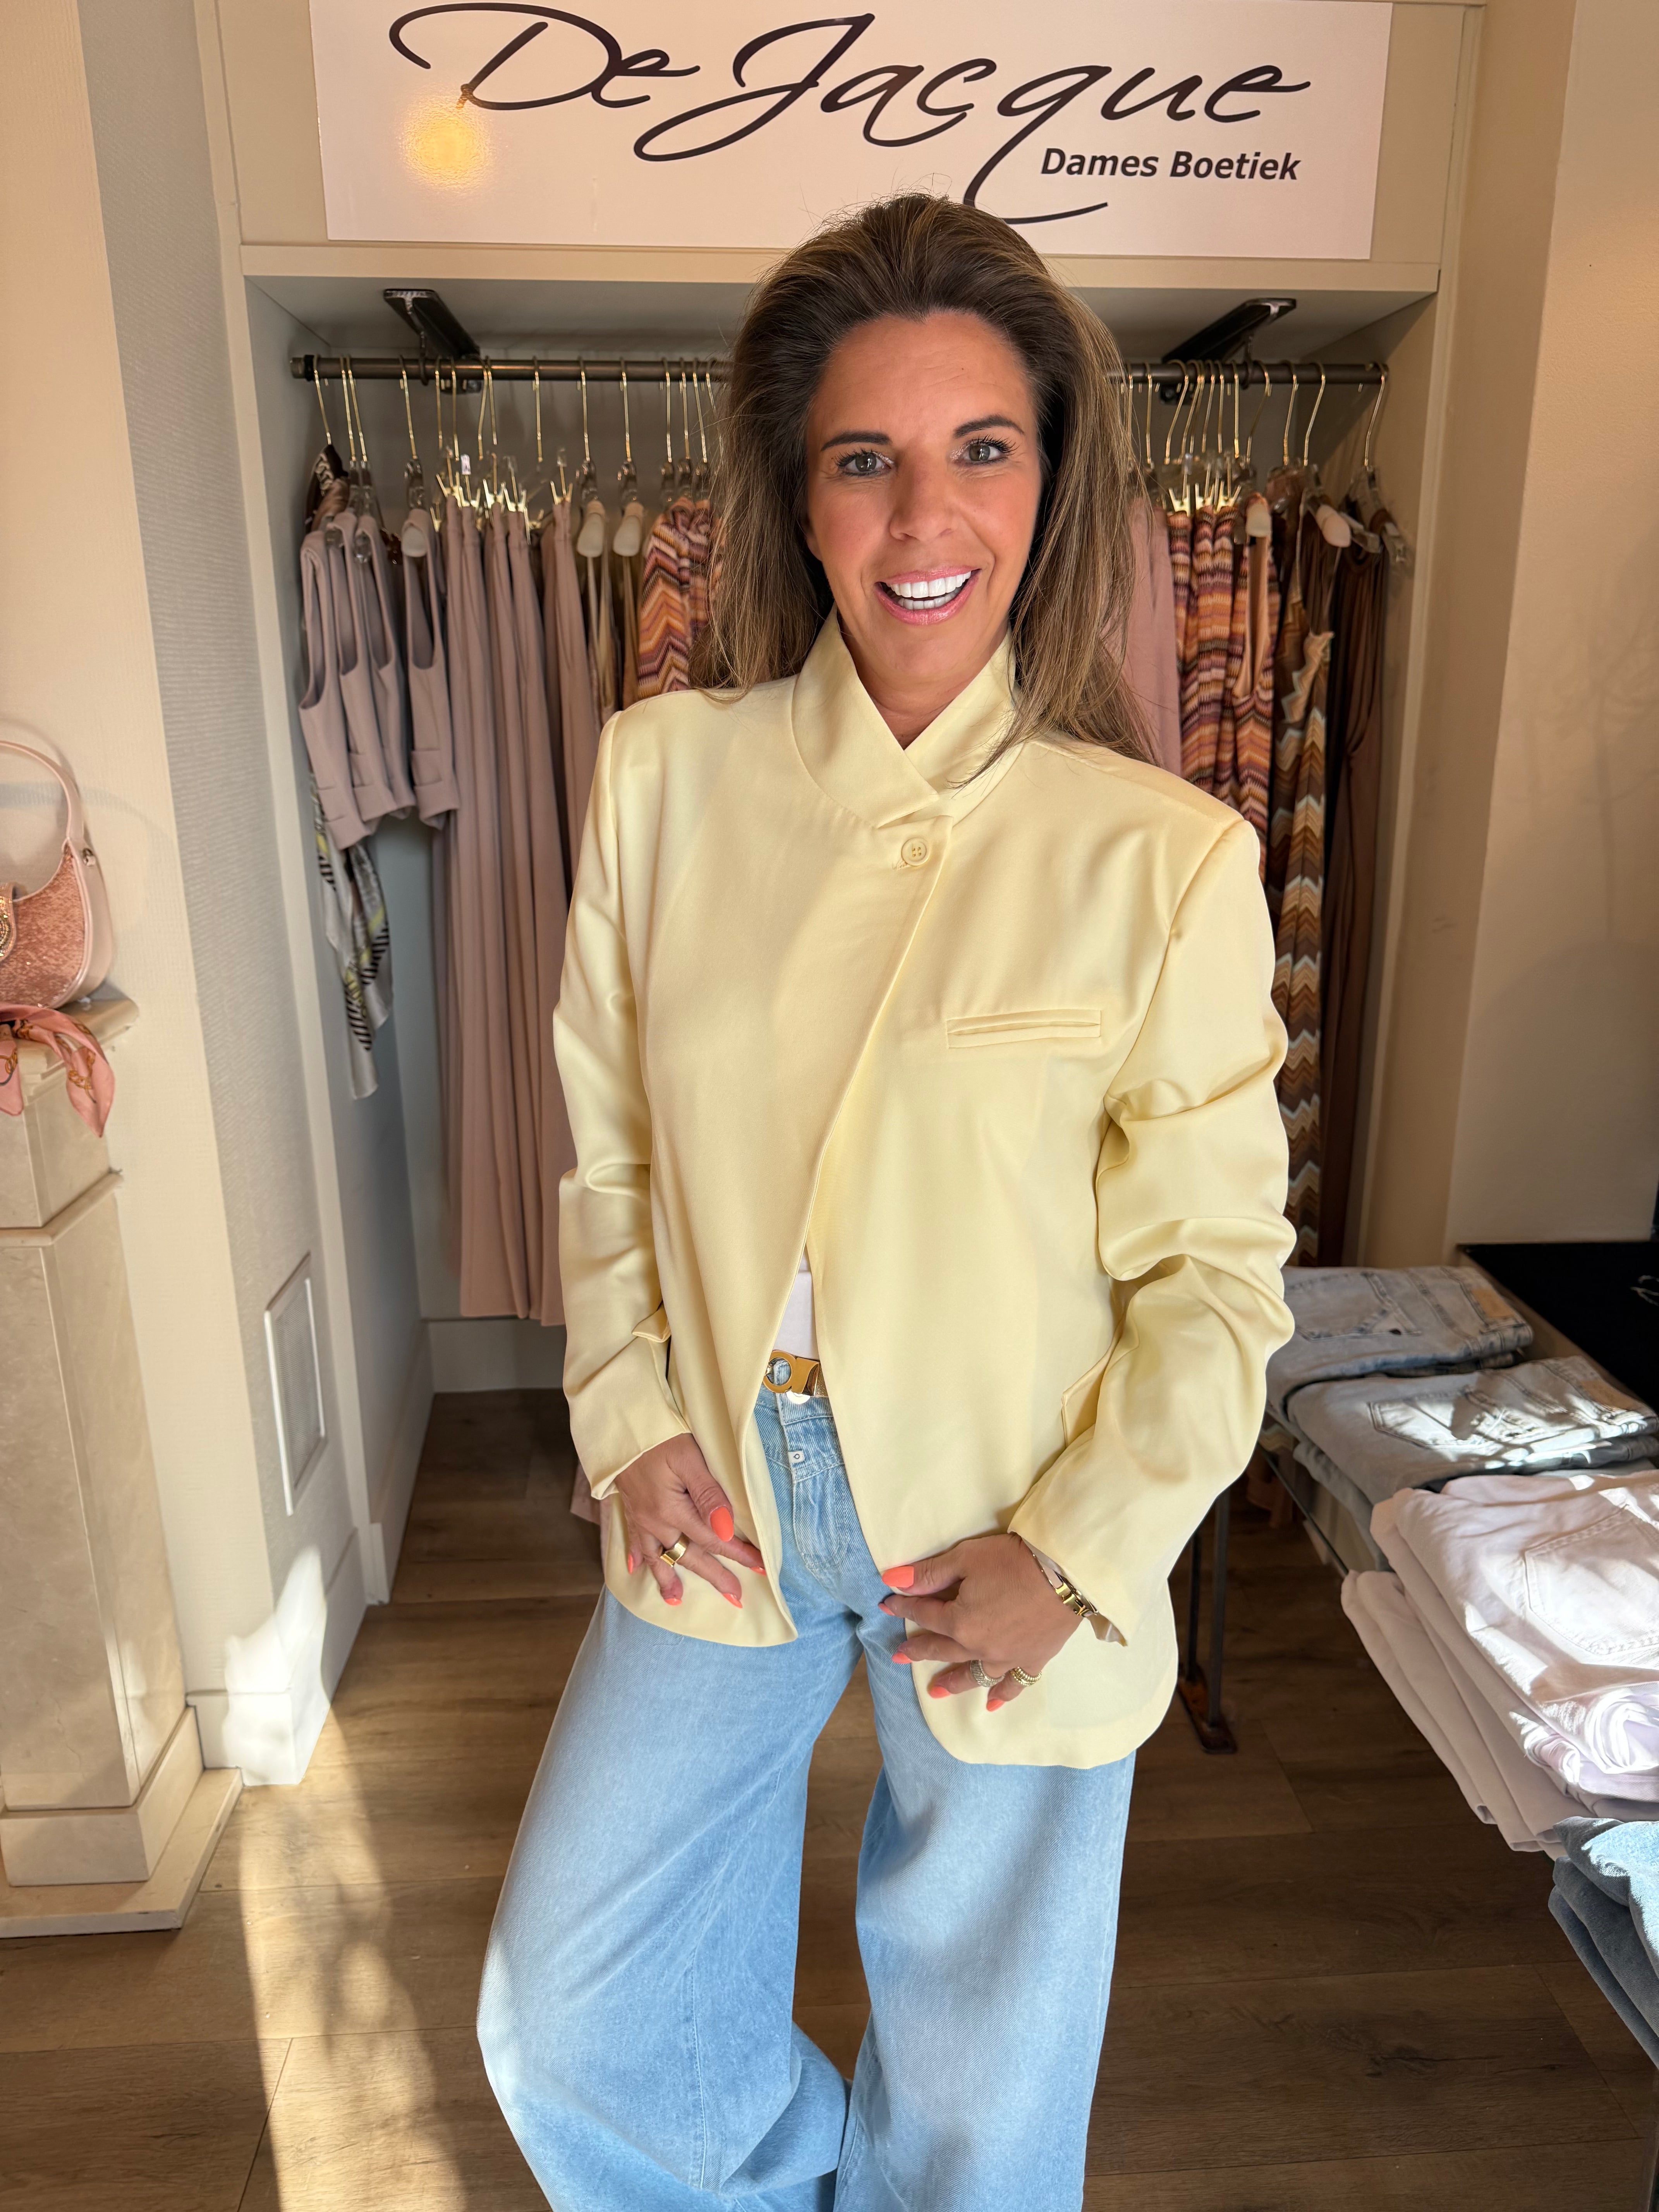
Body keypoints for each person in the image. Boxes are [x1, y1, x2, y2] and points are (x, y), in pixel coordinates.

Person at [478, 193, 1294, 2211]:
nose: (927, 514)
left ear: (1051, 485)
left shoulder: (1163, 858)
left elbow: (1217, 1284)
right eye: (867, 458)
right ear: (802, 497)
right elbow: (611, 1146)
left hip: (1010, 1515)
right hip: (719, 1488)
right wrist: (627, 1410)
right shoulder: (667, 779)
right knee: (571, 2011)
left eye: (981, 448)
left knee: (985, 2103)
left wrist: (1084, 1554)